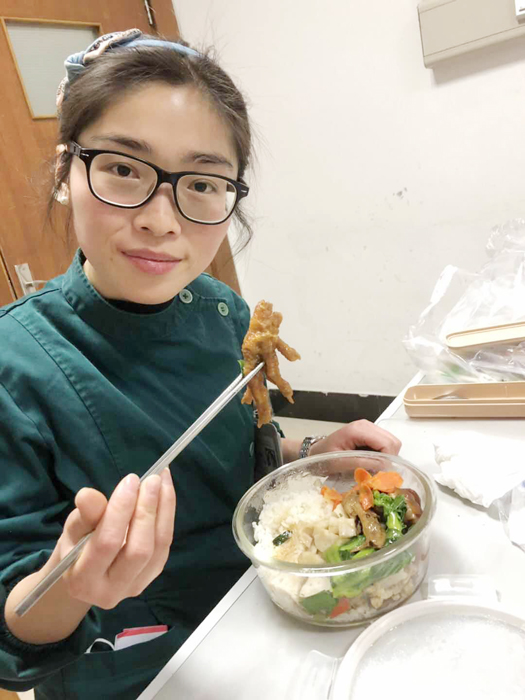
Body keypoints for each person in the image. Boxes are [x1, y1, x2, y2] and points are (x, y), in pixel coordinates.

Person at [0, 30, 401, 700]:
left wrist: (310, 452)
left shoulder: (222, 311)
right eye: (123, 169)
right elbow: (12, 629)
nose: (162, 220)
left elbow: (234, 449)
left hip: (274, 603)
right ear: (67, 172)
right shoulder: (14, 364)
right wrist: (73, 583)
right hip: (142, 663)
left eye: (203, 183)